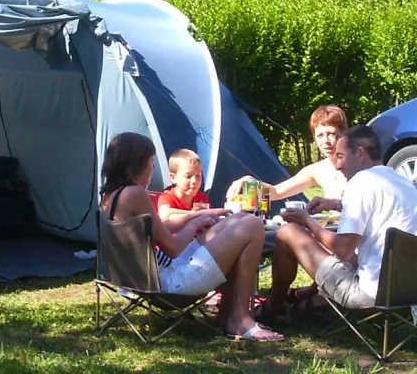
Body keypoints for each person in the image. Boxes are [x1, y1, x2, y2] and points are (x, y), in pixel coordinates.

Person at [100, 132, 284, 342]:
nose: (153, 167)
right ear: (135, 164)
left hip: (146, 276)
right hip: (168, 283)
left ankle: (228, 314)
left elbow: (157, 228)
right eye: (150, 161)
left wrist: (197, 216)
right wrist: (193, 225)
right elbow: (173, 248)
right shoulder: (135, 193)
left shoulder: (111, 196)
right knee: (252, 223)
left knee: (237, 219)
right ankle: (240, 319)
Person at [257, 125, 417, 321]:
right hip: (413, 294)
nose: (338, 166)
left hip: (374, 297)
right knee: (353, 253)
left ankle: (274, 307)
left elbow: (342, 249)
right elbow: (378, 210)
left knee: (288, 232)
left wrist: (307, 222)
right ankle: (311, 301)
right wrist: (336, 204)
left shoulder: (362, 181)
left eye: (340, 156)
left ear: (360, 153)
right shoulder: (399, 179)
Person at [225, 104, 349, 204]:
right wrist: (250, 182)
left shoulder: (356, 163)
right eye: (320, 136)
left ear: (344, 134)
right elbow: (277, 192)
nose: (326, 141)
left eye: (331, 134)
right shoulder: (317, 170)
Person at [158, 149, 230, 228]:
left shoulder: (201, 198)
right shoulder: (168, 197)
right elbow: (165, 214)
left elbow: (211, 217)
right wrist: (195, 214)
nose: (194, 181)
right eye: (188, 176)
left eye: (198, 175)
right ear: (173, 178)